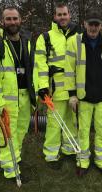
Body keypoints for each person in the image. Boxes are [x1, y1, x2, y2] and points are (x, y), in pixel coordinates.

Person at [65, 10, 102, 178]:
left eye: (96, 24)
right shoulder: (74, 42)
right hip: (84, 97)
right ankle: (83, 162)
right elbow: (69, 70)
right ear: (85, 24)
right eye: (91, 24)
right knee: (83, 132)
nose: (93, 27)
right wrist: (72, 95)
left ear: (101, 26)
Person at [0, 6, 37, 182]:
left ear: (20, 20)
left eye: (15, 18)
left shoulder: (27, 42)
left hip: (24, 96)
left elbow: (33, 70)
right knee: (8, 133)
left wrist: (35, 93)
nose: (12, 22)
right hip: (6, 100)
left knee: (21, 130)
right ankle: (10, 169)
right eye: (8, 19)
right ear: (2, 22)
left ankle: (15, 159)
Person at [35, 3, 81, 170]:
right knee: (54, 124)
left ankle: (69, 150)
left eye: (65, 14)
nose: (62, 17)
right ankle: (51, 155)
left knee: (72, 121)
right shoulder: (45, 37)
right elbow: (40, 64)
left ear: (70, 15)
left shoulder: (79, 35)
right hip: (55, 88)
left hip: (75, 88)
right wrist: (42, 87)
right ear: (54, 17)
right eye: (59, 14)